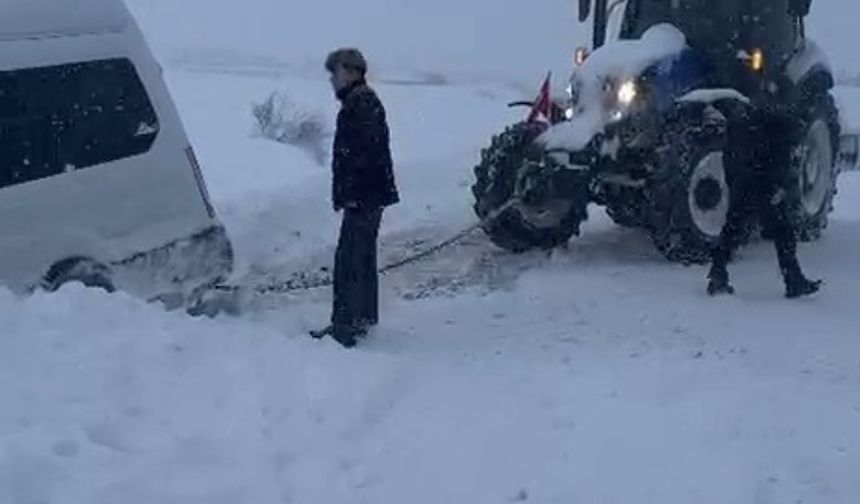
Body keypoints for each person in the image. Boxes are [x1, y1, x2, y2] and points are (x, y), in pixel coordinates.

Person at [311, 48, 399, 348]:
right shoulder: (360, 102)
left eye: (334, 73)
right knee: (360, 258)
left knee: (350, 260)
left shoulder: (361, 104)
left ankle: (346, 326)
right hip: (367, 196)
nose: (331, 80)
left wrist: (352, 194)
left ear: (351, 71)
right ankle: (360, 320)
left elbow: (365, 155)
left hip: (363, 198)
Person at [707, 103, 822, 299]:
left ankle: (718, 273)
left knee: (732, 227)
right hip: (765, 183)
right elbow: (781, 163)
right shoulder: (785, 132)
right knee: (783, 231)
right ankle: (793, 280)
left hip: (742, 181)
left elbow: (730, 154)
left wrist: (733, 182)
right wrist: (780, 188)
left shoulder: (746, 122)